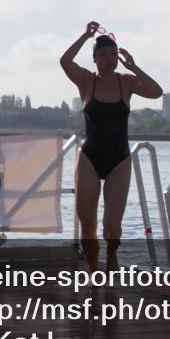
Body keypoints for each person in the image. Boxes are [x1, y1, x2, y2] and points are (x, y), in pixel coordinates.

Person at [60, 21, 162, 273]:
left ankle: (112, 253)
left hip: (119, 159)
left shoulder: (126, 82)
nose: (110, 59)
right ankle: (94, 269)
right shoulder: (86, 81)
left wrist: (134, 67)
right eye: (104, 54)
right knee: (87, 222)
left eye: (114, 54)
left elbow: (156, 92)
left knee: (112, 225)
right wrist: (85, 36)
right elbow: (65, 61)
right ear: (94, 59)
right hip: (89, 158)